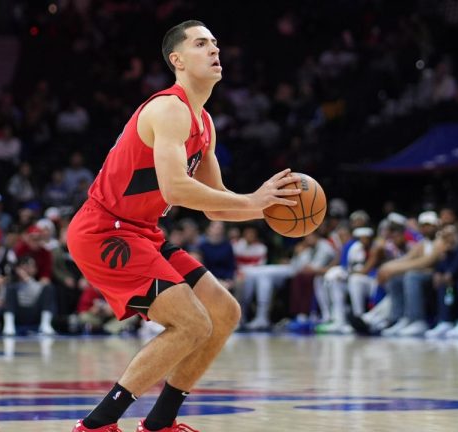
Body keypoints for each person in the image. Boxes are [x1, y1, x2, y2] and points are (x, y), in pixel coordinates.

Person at [66, 20, 299, 432]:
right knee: (192, 322)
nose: (214, 50)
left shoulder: (203, 123)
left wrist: (267, 206)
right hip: (105, 230)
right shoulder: (168, 108)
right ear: (177, 60)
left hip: (142, 232)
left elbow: (217, 209)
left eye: (215, 43)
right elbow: (178, 188)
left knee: (224, 312)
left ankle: (161, 424)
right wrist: (253, 201)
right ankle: (97, 425)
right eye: (201, 43)